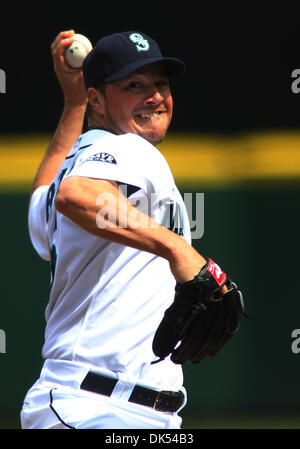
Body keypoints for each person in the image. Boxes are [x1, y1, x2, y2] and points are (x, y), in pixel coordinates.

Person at [20, 29, 227, 429]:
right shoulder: (128, 148)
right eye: (134, 85)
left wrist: (73, 103)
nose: (154, 96)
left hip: (101, 406)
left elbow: (48, 191)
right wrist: (180, 249)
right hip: (99, 408)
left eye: (160, 83)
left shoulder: (83, 160)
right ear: (99, 99)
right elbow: (76, 195)